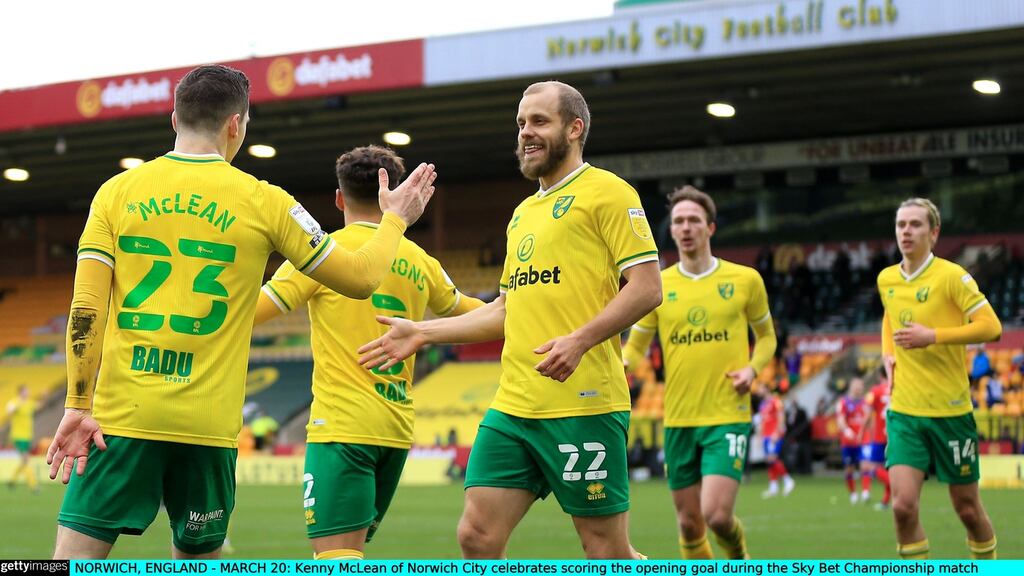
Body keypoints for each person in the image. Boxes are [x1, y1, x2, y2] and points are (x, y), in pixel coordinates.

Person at [45, 64, 437, 560]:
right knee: (200, 559)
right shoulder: (266, 201)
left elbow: (85, 312)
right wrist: (396, 220)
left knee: (72, 560)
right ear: (236, 125)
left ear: (173, 119)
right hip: (206, 428)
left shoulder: (115, 194)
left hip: (121, 419)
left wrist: (78, 405)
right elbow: (361, 277)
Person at [357, 81, 662, 559]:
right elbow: (504, 311)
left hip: (582, 405)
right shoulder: (521, 214)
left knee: (605, 549)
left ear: (574, 128)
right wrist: (422, 332)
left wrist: (579, 341)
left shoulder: (607, 191)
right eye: (521, 123)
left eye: (539, 121)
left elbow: (647, 287)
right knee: (476, 536)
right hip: (515, 405)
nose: (525, 133)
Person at [253, 145, 484, 560]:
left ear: (339, 198)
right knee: (351, 552)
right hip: (394, 431)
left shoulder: (322, 254)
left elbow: (251, 313)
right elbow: (477, 315)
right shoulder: (420, 259)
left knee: (336, 557)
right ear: (394, 195)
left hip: (342, 427)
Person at [621, 186, 775, 559]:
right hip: (678, 420)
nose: (685, 227)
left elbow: (768, 338)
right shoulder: (659, 285)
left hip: (727, 415)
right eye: (678, 221)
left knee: (716, 515)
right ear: (671, 231)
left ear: (710, 228)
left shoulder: (746, 280)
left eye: (693, 220)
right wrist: (618, 364)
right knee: (690, 524)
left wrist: (752, 371)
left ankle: (738, 557)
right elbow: (635, 348)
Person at [877, 197, 1002, 559]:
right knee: (902, 506)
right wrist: (888, 353)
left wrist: (933, 336)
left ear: (934, 233)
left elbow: (992, 326)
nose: (906, 232)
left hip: (951, 413)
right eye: (901, 225)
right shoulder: (887, 278)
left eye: (915, 225)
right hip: (905, 413)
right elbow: (890, 316)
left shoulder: (952, 277)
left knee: (967, 509)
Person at [861, 370, 892, 510]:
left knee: (872, 467)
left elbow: (867, 414)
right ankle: (885, 501)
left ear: (880, 376)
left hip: (880, 437)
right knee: (890, 469)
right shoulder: (896, 388)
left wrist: (861, 431)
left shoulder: (875, 391)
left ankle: (895, 485)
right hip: (894, 435)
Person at [836, 377, 869, 504]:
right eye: (856, 385)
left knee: (865, 465)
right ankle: (853, 493)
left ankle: (866, 492)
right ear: (851, 386)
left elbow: (869, 420)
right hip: (848, 441)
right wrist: (846, 430)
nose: (859, 388)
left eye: (860, 386)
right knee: (849, 468)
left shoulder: (866, 402)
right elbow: (840, 420)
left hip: (863, 439)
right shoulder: (843, 402)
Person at [757, 388, 795, 498]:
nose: (759, 390)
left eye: (761, 387)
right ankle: (773, 487)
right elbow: (762, 421)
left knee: (772, 458)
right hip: (766, 435)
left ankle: (788, 480)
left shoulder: (776, 401)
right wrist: (760, 436)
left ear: (766, 389)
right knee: (769, 460)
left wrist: (776, 433)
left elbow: (781, 417)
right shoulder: (762, 405)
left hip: (773, 434)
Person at [6, 385, 39, 492]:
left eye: (28, 391)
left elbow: (38, 405)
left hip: (27, 436)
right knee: (25, 459)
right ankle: (33, 485)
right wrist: (17, 406)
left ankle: (12, 480)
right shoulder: (14, 402)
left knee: (24, 461)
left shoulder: (29, 403)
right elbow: (10, 411)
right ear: (20, 392)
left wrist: (44, 396)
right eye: (26, 391)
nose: (28, 393)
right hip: (18, 436)